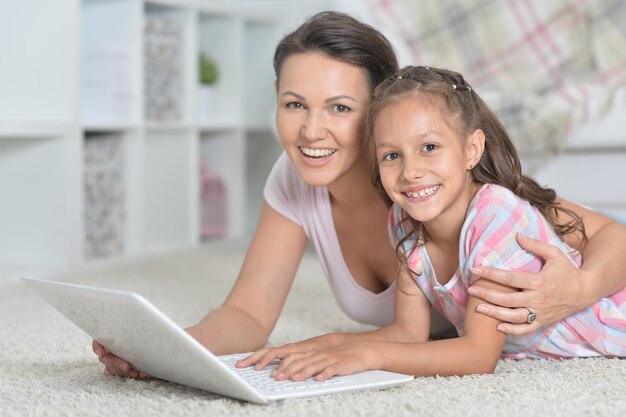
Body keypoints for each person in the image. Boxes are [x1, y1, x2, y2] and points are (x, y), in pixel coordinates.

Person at [94, 12, 626, 379]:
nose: (310, 132)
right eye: (294, 104)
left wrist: (580, 287)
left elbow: (612, 237)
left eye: (340, 108)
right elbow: (248, 314)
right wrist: (165, 350)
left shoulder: (457, 194)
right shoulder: (314, 184)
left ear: (379, 113)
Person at [238, 65, 626, 380]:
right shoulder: (404, 223)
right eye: (391, 155)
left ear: (472, 149)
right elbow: (408, 334)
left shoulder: (494, 216)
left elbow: (478, 355)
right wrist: (326, 344)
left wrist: (369, 354)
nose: (411, 172)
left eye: (429, 148)